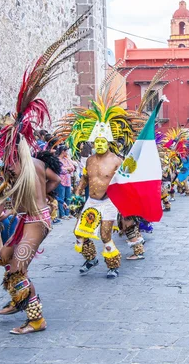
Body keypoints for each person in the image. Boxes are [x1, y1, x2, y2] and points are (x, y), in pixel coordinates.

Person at [0, 11, 88, 335]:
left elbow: (6, 205)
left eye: (6, 142)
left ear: (12, 143)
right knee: (5, 258)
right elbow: (55, 181)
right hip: (31, 218)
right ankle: (17, 300)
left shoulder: (23, 166)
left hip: (36, 222)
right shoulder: (31, 165)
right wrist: (48, 197)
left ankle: (36, 318)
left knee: (17, 268)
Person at [60, 84, 135, 279]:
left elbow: (126, 181)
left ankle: (113, 265)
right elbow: (85, 178)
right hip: (91, 201)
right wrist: (77, 195)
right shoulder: (90, 160)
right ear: (93, 143)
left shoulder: (117, 160)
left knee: (105, 235)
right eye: (97, 142)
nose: (99, 144)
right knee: (80, 232)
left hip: (109, 203)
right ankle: (91, 259)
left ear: (108, 143)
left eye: (103, 142)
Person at [56, 145, 75, 220]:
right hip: (61, 181)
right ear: (63, 151)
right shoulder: (57, 160)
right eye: (66, 151)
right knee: (61, 197)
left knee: (68, 197)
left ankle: (67, 213)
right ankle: (62, 214)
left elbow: (73, 167)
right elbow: (60, 170)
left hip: (68, 181)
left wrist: (67, 169)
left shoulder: (67, 159)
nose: (67, 152)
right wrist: (67, 169)